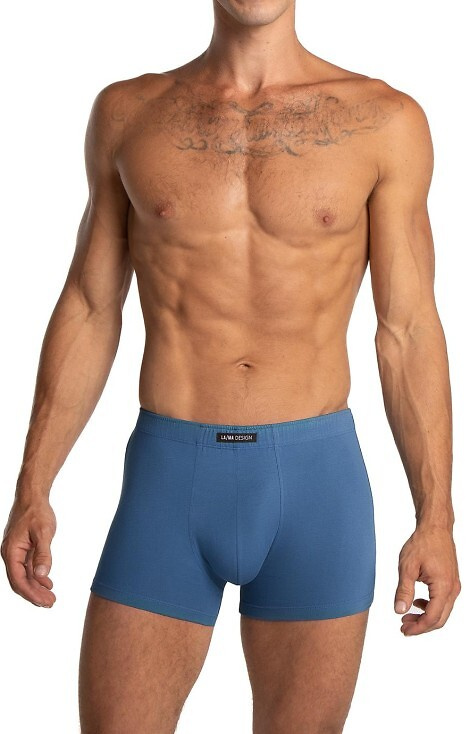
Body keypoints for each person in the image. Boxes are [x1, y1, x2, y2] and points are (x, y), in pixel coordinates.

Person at [1, 1, 461, 732]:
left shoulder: (384, 120)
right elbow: (90, 306)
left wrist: (436, 517)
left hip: (317, 489)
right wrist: (33, 483)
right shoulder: (130, 113)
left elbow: (407, 330)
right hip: (167, 479)